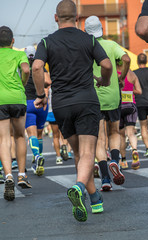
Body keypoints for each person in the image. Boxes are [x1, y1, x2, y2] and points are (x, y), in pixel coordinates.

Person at [32, 0, 112, 222]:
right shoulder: (89, 39)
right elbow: (106, 65)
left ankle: (94, 199)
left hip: (62, 104)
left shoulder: (46, 43)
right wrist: (104, 82)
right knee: (88, 153)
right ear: (77, 18)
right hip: (86, 101)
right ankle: (79, 187)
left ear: (56, 18)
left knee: (79, 153)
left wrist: (40, 95)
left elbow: (37, 67)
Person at [85, 16, 130, 190]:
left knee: (99, 139)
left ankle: (105, 179)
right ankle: (115, 162)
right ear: (102, 29)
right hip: (112, 95)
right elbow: (125, 59)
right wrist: (121, 77)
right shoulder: (112, 45)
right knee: (115, 133)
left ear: (86, 31)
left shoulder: (87, 46)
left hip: (93, 97)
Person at [0, 26, 32, 201]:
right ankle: (21, 175)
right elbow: (26, 70)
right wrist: (23, 83)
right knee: (20, 136)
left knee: (3, 139)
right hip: (17, 98)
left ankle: (8, 176)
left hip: (0, 100)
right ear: (13, 41)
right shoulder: (19, 54)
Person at [25, 45, 51, 176]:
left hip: (28, 103)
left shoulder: (22, 67)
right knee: (40, 134)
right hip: (42, 103)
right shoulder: (40, 66)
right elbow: (48, 81)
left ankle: (36, 157)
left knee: (32, 134)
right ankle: (39, 158)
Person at [117, 62, 142, 169]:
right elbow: (139, 91)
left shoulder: (114, 74)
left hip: (119, 107)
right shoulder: (132, 74)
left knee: (121, 135)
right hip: (131, 106)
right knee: (131, 133)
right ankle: (135, 150)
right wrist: (129, 91)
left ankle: (123, 160)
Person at [46, 88, 63, 165]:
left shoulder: (50, 86)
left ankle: (58, 157)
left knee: (55, 136)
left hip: (52, 110)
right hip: (64, 108)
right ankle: (65, 148)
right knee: (66, 134)